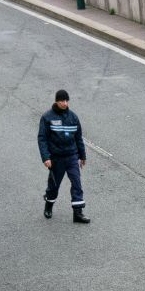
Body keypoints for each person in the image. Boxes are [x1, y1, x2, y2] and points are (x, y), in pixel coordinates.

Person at [38, 89, 89, 223]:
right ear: (56, 101)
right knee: (54, 186)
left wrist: (82, 156)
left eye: (66, 101)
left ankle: (78, 213)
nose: (65, 103)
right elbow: (42, 139)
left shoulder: (73, 117)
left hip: (72, 156)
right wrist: (46, 157)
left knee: (77, 183)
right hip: (56, 158)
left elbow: (79, 138)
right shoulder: (47, 117)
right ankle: (49, 205)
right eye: (62, 101)